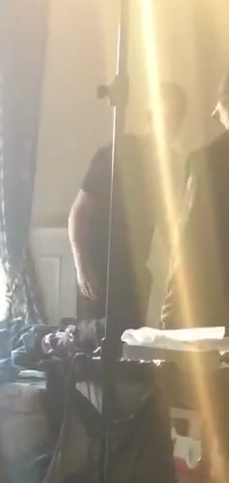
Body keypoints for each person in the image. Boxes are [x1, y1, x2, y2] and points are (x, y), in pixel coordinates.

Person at [69, 82, 188, 330]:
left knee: (131, 345)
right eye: (165, 118)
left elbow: (169, 226)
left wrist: (180, 271)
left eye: (174, 120)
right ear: (150, 116)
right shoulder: (116, 152)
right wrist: (82, 265)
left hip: (135, 277)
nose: (168, 127)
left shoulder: (170, 167)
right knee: (91, 345)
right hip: (98, 270)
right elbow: (79, 212)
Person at [161, 70, 229, 330]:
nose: (215, 114)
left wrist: (171, 312)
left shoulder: (207, 162)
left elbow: (189, 241)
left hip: (216, 307)